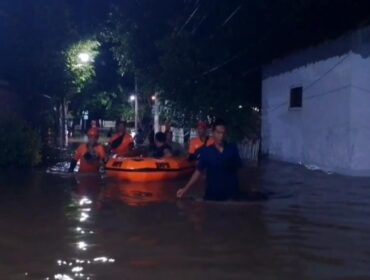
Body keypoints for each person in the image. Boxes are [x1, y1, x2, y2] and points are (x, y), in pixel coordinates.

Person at [177, 119, 242, 201]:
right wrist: (185, 189)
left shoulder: (232, 149)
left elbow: (239, 169)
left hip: (230, 194)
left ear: (226, 134)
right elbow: (198, 172)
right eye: (218, 133)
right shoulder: (207, 152)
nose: (221, 136)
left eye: (223, 133)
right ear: (213, 133)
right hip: (212, 194)